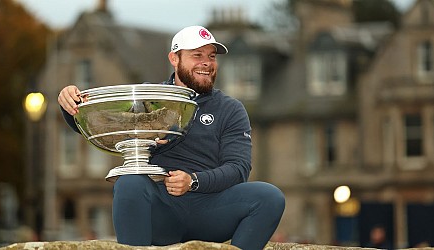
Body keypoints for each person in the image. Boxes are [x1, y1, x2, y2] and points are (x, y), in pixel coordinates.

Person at [58, 25, 285, 249]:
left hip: (211, 208)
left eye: (211, 56)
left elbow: (239, 169)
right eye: (197, 55)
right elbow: (105, 125)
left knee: (270, 197)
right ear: (174, 59)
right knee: (129, 183)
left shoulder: (230, 109)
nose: (206, 63)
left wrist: (193, 181)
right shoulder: (148, 97)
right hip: (162, 210)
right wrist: (71, 106)